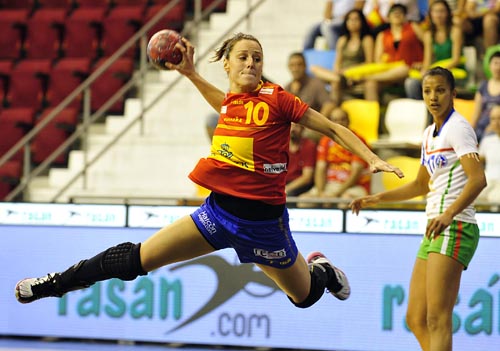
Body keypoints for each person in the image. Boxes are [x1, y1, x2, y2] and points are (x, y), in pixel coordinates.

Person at [15, 33, 404, 310]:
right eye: (243, 57)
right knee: (134, 260)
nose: (251, 63)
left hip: (264, 225)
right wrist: (189, 74)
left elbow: (333, 128)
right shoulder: (232, 101)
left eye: (257, 57)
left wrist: (370, 157)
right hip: (217, 215)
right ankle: (56, 283)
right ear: (228, 64)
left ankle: (322, 269)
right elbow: (223, 102)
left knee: (303, 298)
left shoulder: (278, 99)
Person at [350, 67, 487, 351]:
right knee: (415, 317)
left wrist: (448, 214)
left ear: (453, 94)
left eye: (440, 90)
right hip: (435, 227)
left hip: (455, 224)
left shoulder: (459, 128)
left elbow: (478, 179)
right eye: (427, 91)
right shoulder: (428, 134)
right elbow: (420, 186)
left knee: (438, 319)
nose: (433, 97)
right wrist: (375, 199)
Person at [298, 107, 371, 208]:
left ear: (348, 121)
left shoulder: (358, 140)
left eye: (342, 119)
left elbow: (355, 174)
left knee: (344, 202)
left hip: (354, 187)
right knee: (304, 201)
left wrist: (335, 195)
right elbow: (320, 169)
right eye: (335, 120)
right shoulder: (325, 141)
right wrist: (320, 192)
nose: (339, 123)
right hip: (330, 185)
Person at [310, 9, 376, 104]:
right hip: (341, 75)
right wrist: (339, 72)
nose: (352, 22)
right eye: (350, 19)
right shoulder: (342, 40)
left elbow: (369, 63)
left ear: (362, 22)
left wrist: (348, 71)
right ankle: (339, 79)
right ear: (346, 22)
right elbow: (337, 63)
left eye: (356, 19)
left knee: (335, 83)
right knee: (314, 68)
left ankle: (338, 85)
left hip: (357, 74)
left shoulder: (366, 40)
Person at [405, 0, 466, 99]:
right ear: (431, 14)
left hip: (454, 71)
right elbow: (427, 61)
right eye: (435, 11)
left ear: (447, 14)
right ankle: (425, 111)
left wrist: (435, 72)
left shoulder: (455, 31)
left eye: (442, 11)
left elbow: (456, 59)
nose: (438, 15)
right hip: (435, 72)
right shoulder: (428, 35)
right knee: (411, 83)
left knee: (437, 84)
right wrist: (424, 71)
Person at [284, 51, 335, 141]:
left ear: (305, 66)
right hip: (293, 129)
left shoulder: (315, 84)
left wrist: (317, 124)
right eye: (292, 65)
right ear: (288, 67)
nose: (295, 68)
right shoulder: (286, 88)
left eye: (299, 65)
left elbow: (329, 105)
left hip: (311, 129)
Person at [470, 49, 500, 142]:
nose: (498, 67)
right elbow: (476, 113)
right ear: (490, 65)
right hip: (481, 127)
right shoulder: (483, 86)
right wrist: (469, 132)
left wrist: (494, 126)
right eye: (495, 63)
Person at [286, 123, 317, 197]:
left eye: (296, 126)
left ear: (303, 129)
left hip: (299, 185)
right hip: (282, 184)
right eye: (291, 126)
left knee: (287, 195)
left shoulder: (309, 146)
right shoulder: (281, 144)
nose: (293, 129)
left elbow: (307, 178)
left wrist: (286, 189)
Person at [478, 104, 500, 203]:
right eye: (493, 119)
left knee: (495, 198)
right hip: (488, 181)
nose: (496, 122)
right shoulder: (487, 140)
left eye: (499, 118)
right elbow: (478, 161)